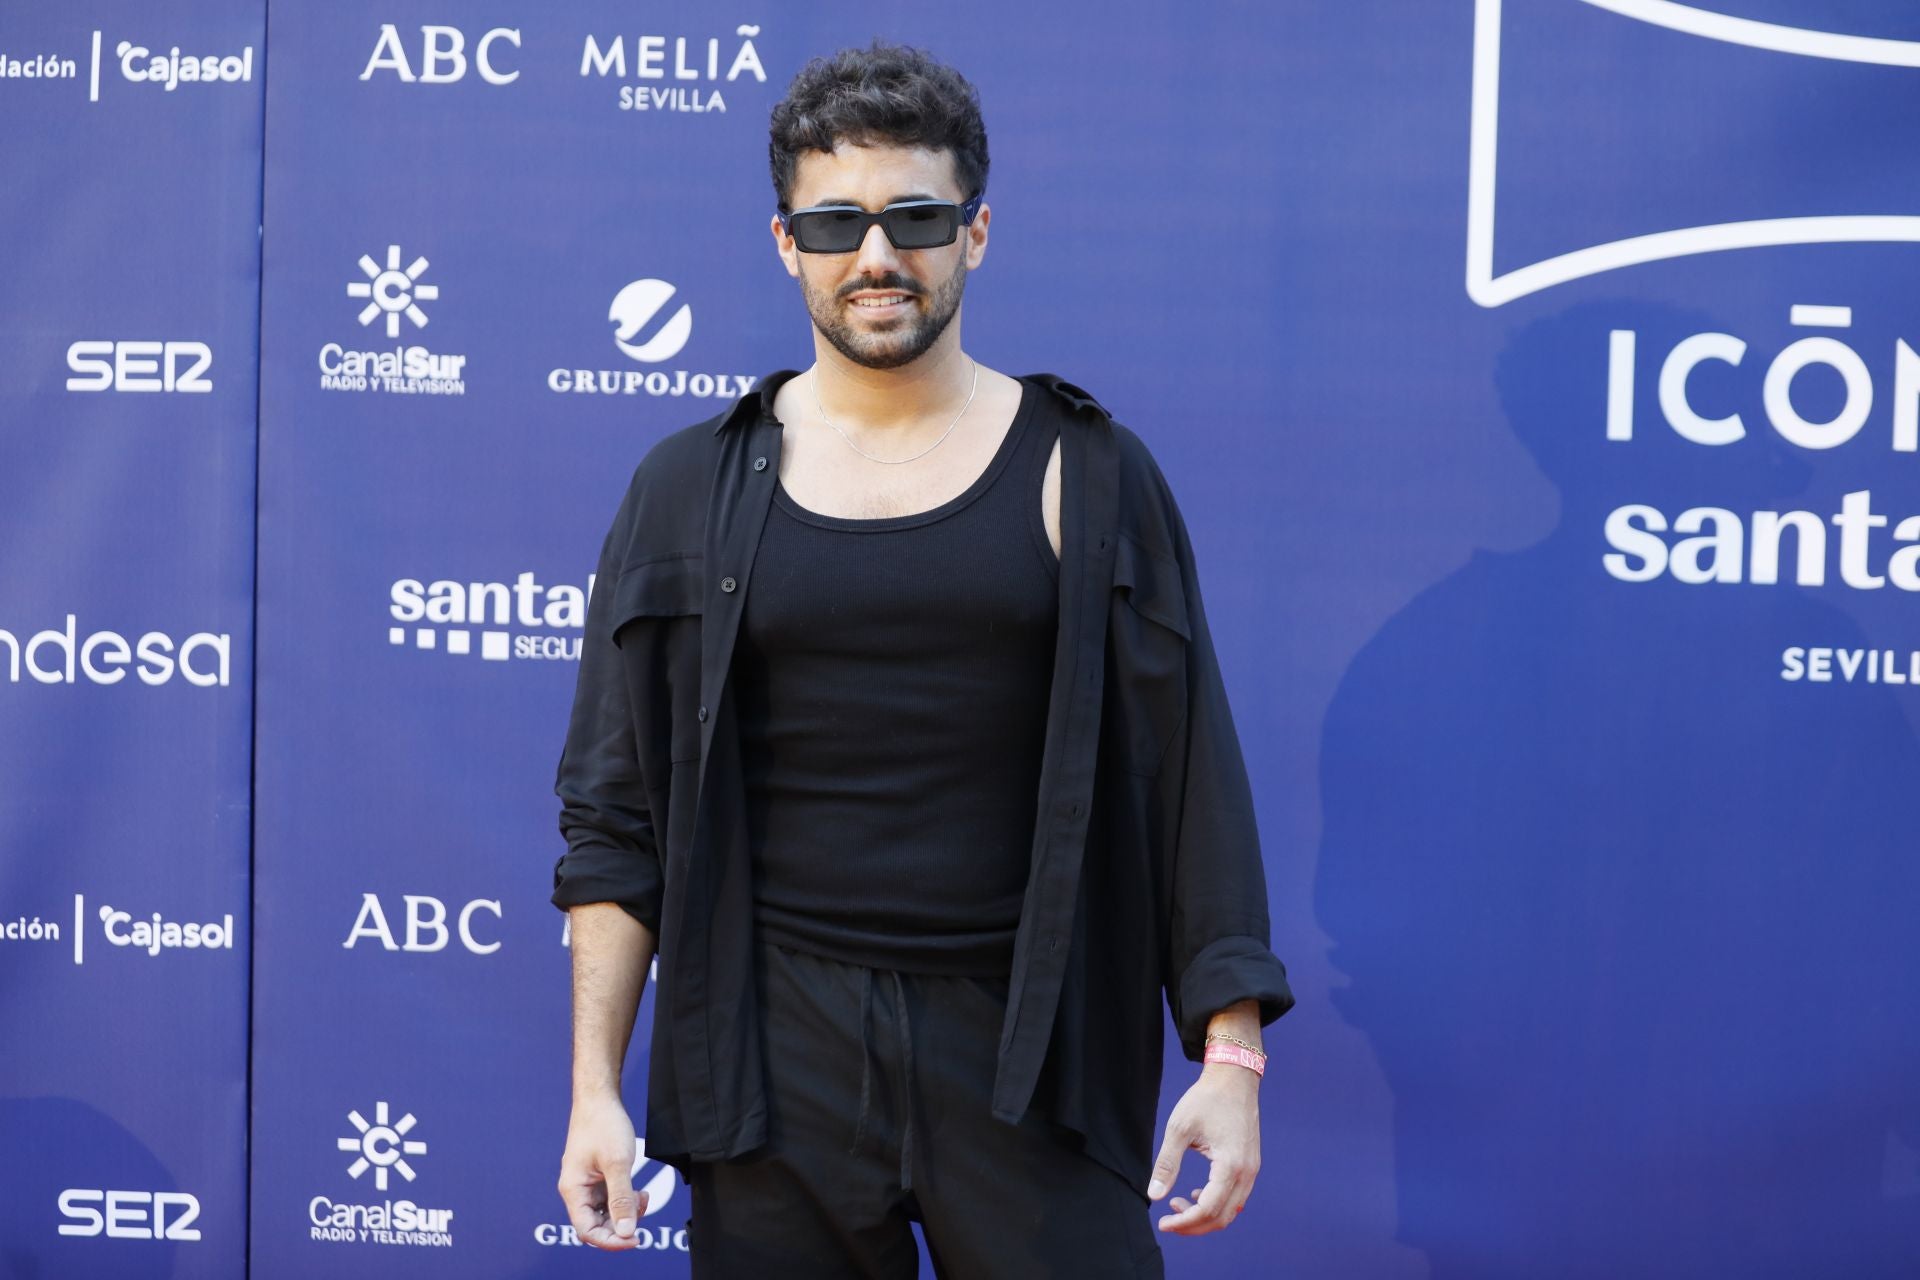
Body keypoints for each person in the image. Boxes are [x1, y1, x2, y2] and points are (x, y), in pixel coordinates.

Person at [551, 40, 1293, 1278]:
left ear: (978, 233)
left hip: (1032, 1054)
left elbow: (1189, 790)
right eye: (837, 221)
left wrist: (1232, 1056)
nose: (878, 254)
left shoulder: (1090, 473)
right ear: (788, 243)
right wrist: (592, 1087)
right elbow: (613, 819)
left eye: (916, 217)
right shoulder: (685, 488)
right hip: (769, 1057)